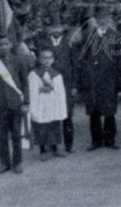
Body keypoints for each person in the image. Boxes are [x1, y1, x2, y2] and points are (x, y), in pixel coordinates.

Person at [78, 6, 121, 151]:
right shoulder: (87, 36)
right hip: (93, 80)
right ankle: (96, 140)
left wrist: (119, 81)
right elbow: (82, 58)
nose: (103, 21)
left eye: (105, 18)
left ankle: (110, 140)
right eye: (99, 19)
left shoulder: (115, 36)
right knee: (94, 111)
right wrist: (86, 77)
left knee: (109, 111)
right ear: (95, 20)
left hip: (109, 79)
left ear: (109, 19)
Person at [0, 34, 29, 174]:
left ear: (10, 44)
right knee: (2, 135)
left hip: (15, 104)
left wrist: (26, 102)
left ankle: (17, 162)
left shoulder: (19, 61)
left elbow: (25, 84)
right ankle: (4, 163)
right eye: (0, 44)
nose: (3, 47)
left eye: (6, 43)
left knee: (16, 134)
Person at [36, 20, 80, 153]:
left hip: (66, 85)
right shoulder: (43, 43)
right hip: (48, 83)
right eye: (53, 27)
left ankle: (68, 146)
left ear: (63, 28)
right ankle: (52, 146)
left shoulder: (70, 43)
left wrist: (74, 85)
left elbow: (75, 66)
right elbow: (38, 65)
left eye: (58, 27)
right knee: (49, 114)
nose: (56, 30)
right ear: (48, 29)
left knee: (67, 115)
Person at [28, 48, 68, 161]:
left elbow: (60, 91)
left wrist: (54, 93)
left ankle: (54, 147)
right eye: (44, 58)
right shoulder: (34, 74)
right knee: (41, 125)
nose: (47, 61)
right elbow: (31, 90)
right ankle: (43, 150)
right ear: (39, 60)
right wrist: (40, 89)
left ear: (53, 60)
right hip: (40, 103)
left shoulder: (57, 74)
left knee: (54, 124)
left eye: (49, 58)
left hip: (52, 102)